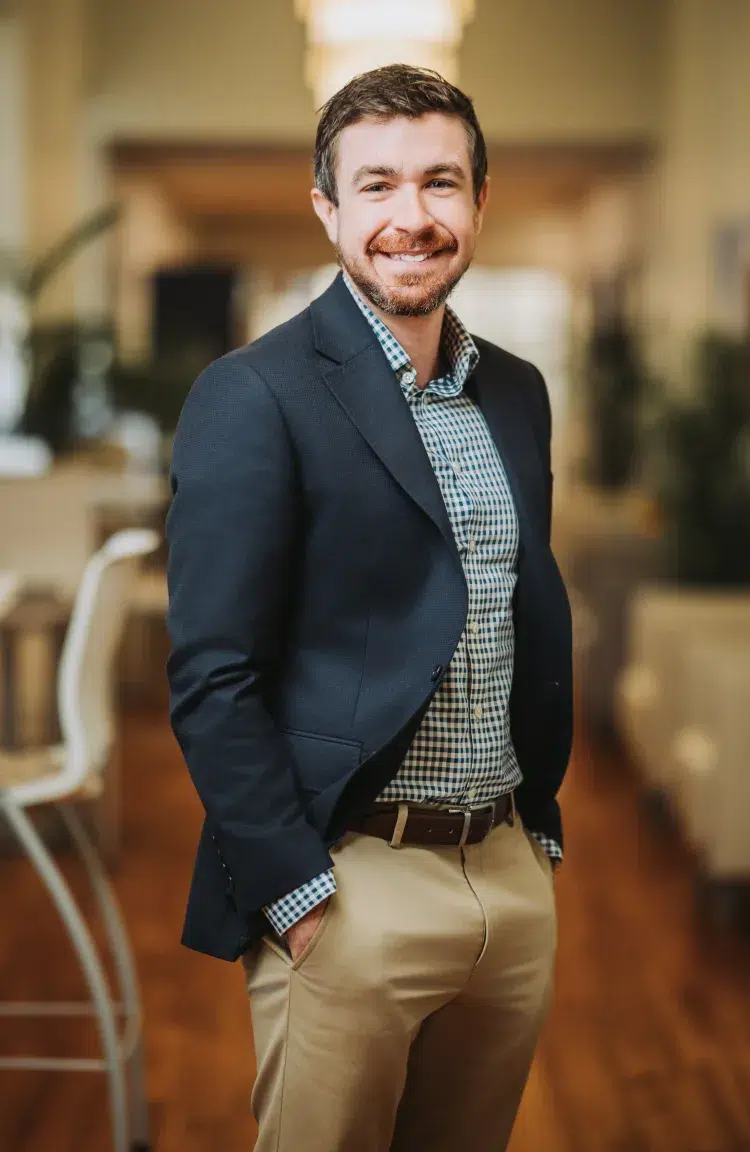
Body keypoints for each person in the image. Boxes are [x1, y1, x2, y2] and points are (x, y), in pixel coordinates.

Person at [166, 63, 572, 1152]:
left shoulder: (519, 392)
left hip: (507, 875)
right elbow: (213, 676)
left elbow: (516, 603)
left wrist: (538, 839)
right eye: (378, 185)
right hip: (350, 882)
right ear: (328, 209)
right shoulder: (254, 396)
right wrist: (296, 893)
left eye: (441, 183)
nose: (411, 217)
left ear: (480, 202)